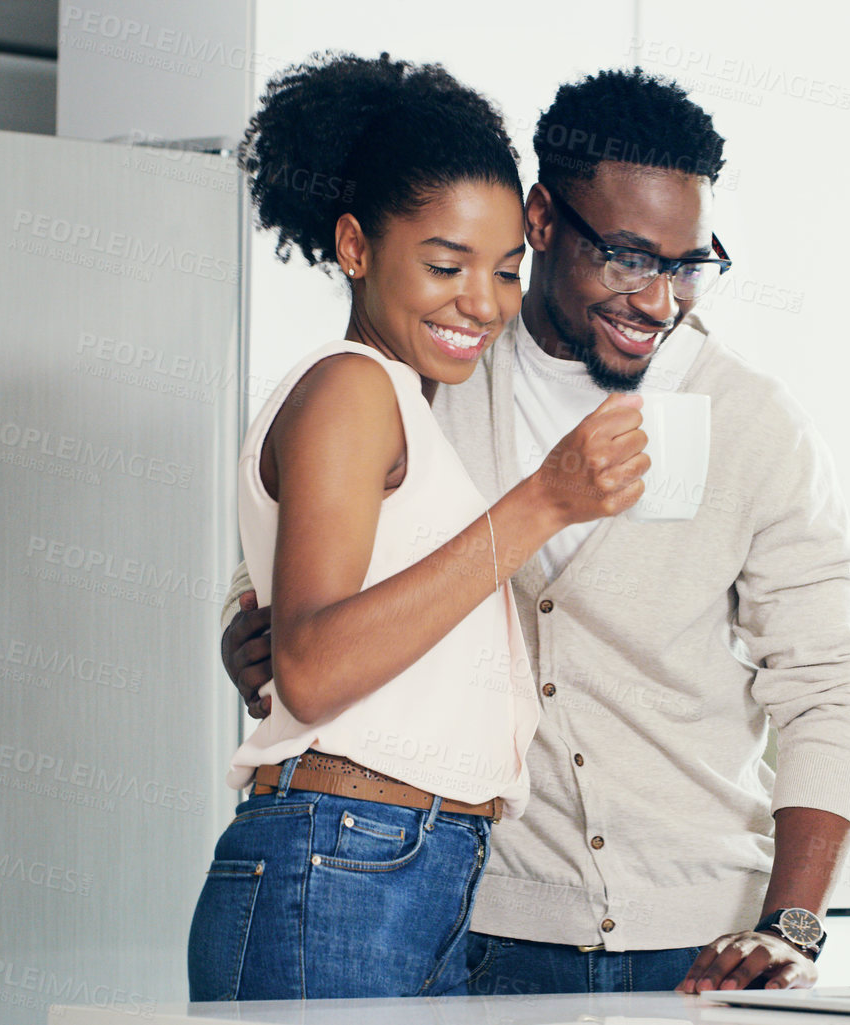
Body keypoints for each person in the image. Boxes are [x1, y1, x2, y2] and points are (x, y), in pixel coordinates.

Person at [220, 68, 850, 995]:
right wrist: (247, 627)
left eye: (687, 264)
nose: (656, 299)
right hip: (473, 919)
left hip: (699, 943)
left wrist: (793, 927)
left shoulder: (748, 421)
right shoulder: (431, 373)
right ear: (540, 220)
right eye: (625, 256)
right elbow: (294, 567)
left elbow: (826, 689)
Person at [187, 52, 651, 1002]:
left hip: (397, 865)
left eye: (505, 270)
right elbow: (312, 668)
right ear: (354, 246)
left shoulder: (392, 398)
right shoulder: (355, 386)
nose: (481, 302)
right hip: (348, 860)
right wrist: (544, 500)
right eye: (445, 264)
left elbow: (313, 624)